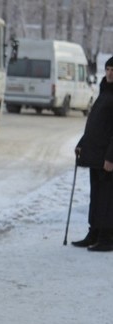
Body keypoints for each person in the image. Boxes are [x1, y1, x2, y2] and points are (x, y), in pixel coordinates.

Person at [72, 56, 113, 251]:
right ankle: (94, 232)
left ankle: (107, 238)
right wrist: (82, 143)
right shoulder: (104, 92)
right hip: (96, 155)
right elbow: (95, 125)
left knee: (107, 198)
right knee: (96, 195)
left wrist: (110, 157)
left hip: (107, 157)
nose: (110, 73)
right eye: (108, 69)